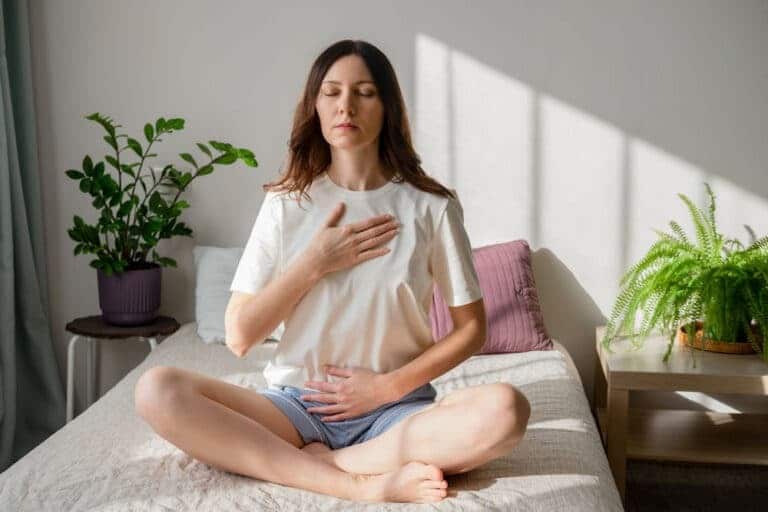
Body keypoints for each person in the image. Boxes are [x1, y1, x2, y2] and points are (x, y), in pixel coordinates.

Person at [134, 39, 530, 504]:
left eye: (364, 92)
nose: (346, 105)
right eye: (331, 92)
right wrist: (314, 263)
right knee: (157, 389)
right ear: (315, 107)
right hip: (296, 407)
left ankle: (331, 464)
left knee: (506, 409)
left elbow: (472, 329)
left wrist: (385, 388)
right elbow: (240, 335)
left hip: (395, 410)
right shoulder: (287, 203)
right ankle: (356, 482)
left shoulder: (431, 207)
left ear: (387, 108)